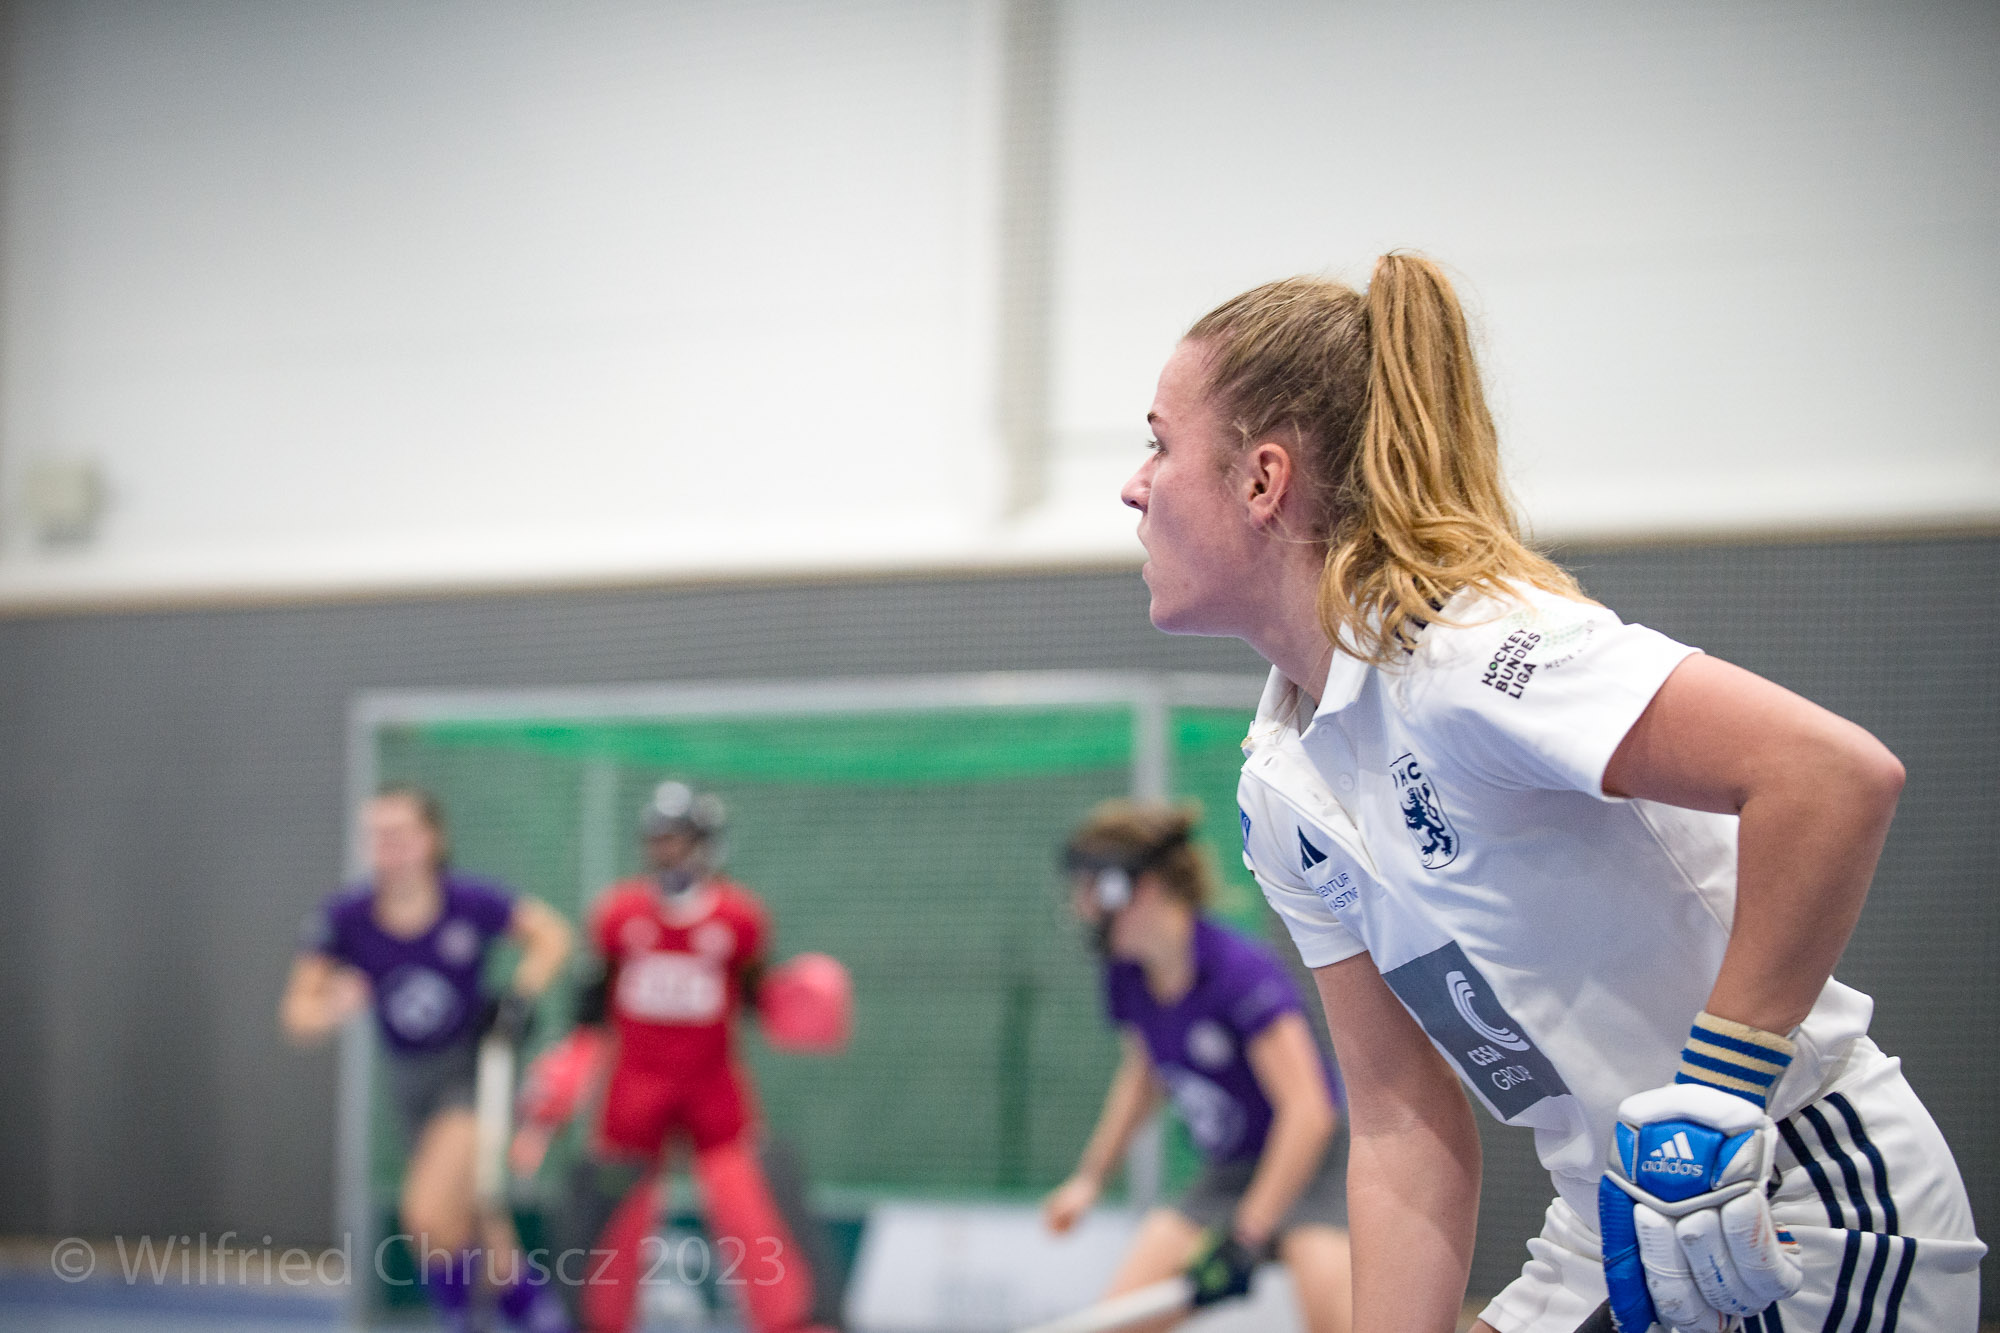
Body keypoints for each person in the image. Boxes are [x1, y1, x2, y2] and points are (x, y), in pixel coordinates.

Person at [1118, 255, 1984, 1333]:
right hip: (1603, 1226)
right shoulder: (1279, 791)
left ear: (1262, 480)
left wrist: (1719, 1091)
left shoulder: (1468, 653)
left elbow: (1828, 776)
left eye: (1159, 443)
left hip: (1798, 1203)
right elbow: (1397, 1123)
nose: (1134, 485)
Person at [1044, 800, 1352, 1333]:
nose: (1081, 907)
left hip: (1313, 1171)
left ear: (1133, 887)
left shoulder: (1239, 971)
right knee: (1114, 1323)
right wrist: (1090, 1179)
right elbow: (1144, 1075)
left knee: (1346, 1323)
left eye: (1090, 888)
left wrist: (1248, 1234)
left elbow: (1310, 1111)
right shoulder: (1128, 973)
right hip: (1228, 1175)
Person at [281, 783, 575, 1333]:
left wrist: (518, 998)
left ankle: (462, 1321)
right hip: (408, 1084)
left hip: (469, 1076)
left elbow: (553, 936)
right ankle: (540, 1317)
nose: (388, 847)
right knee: (471, 1224)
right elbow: (297, 1015)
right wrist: (334, 1004)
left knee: (424, 1215)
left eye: (400, 834)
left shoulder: (469, 900)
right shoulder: (347, 917)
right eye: (377, 836)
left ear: (432, 839)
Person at [549, 780, 836, 1333]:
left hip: (713, 1087)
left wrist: (793, 1006)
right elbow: (592, 1004)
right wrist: (572, 1065)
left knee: (750, 1206)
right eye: (660, 840)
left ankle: (793, 1321)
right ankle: (595, 1321)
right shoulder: (619, 913)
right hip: (635, 1089)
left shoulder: (739, 918)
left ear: (706, 843)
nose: (669, 852)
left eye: (680, 839)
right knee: (614, 1213)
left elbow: (755, 994)